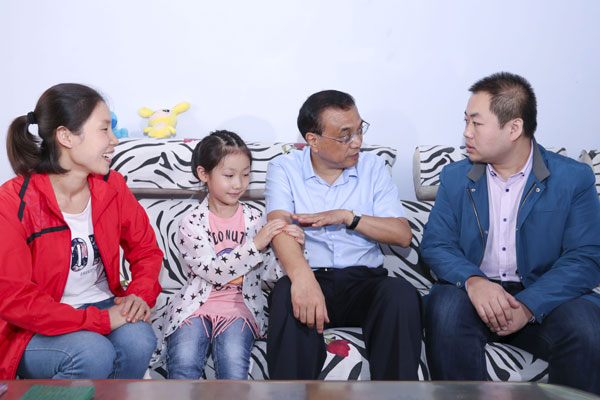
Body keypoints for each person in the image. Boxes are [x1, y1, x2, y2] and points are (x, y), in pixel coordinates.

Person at [421, 72, 600, 394]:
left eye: (476, 123)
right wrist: (475, 281)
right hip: (472, 292)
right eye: (466, 122)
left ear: (514, 128)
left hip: (547, 293)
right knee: (444, 309)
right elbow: (436, 243)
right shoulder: (455, 177)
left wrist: (529, 305)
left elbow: (585, 257)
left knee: (586, 328)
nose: (466, 133)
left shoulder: (573, 178)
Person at [0, 83, 163, 379]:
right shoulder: (13, 202)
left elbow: (147, 251)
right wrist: (99, 320)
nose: (114, 140)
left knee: (139, 339)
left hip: (100, 302)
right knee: (92, 353)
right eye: (104, 130)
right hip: (32, 327)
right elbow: (16, 299)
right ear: (66, 137)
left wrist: (139, 295)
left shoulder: (112, 186)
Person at [265, 90, 422, 380]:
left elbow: (401, 235)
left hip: (364, 283)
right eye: (345, 135)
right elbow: (279, 226)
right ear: (313, 140)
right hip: (312, 278)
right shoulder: (284, 168)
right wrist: (303, 279)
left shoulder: (373, 167)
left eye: (360, 130)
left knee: (400, 294)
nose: (357, 142)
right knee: (286, 293)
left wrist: (348, 217)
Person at [152, 131, 304, 379]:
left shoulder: (256, 220)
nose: (238, 184)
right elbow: (211, 271)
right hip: (195, 307)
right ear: (204, 174)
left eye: (245, 175)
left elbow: (269, 275)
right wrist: (255, 245)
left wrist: (295, 248)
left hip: (240, 309)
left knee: (233, 366)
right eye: (229, 175)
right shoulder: (191, 223)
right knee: (184, 362)